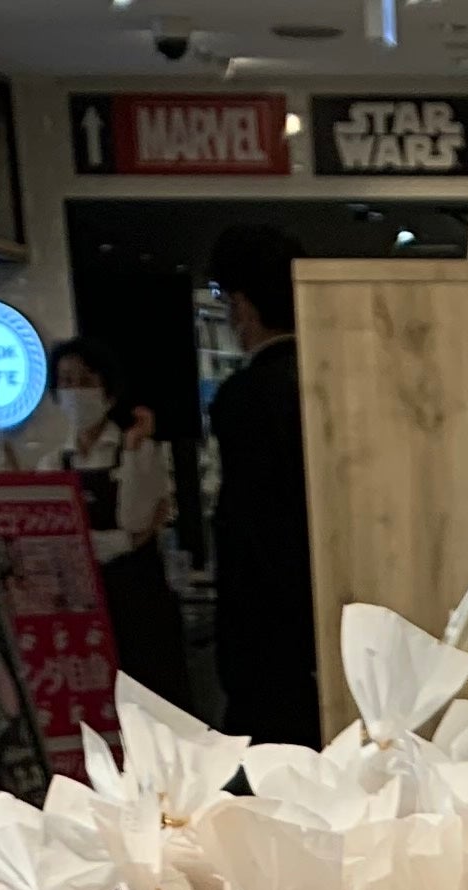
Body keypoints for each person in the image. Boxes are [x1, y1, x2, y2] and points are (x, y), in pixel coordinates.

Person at [204, 222, 318, 747]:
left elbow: (250, 526)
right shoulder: (329, 380)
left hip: (264, 628)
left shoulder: (244, 396)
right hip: (327, 615)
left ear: (242, 306)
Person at [43, 336, 191, 703]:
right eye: (66, 381)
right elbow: (51, 536)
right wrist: (121, 540)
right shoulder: (52, 463)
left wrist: (135, 448)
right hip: (82, 606)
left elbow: (139, 520)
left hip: (140, 602)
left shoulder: (141, 450)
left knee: (152, 703)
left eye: (86, 381)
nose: (76, 391)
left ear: (109, 393)